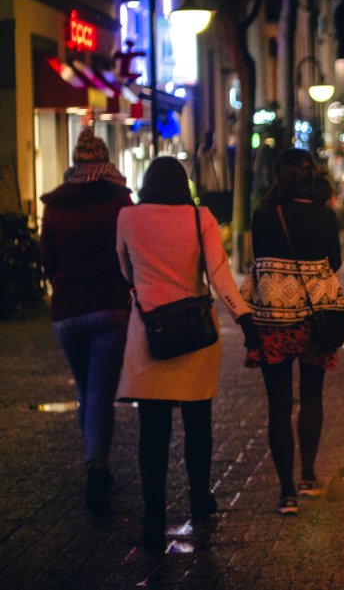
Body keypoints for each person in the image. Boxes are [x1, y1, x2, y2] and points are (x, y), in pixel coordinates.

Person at [115, 157, 261, 551]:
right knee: (199, 422)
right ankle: (199, 499)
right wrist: (244, 317)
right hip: (196, 332)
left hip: (150, 334)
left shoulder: (128, 217)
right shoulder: (201, 218)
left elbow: (125, 272)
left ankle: (154, 514)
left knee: (153, 431)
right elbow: (218, 274)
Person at [243, 148, 344, 515]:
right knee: (312, 396)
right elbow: (335, 262)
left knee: (279, 405)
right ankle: (309, 475)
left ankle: (286, 493)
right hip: (317, 316)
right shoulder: (323, 216)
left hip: (272, 318)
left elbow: (256, 260)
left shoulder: (263, 215)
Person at [39, 127, 133, 516]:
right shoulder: (119, 200)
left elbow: (48, 259)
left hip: (68, 310)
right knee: (99, 393)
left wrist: (62, 282)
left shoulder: (56, 204)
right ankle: (96, 466)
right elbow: (129, 251)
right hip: (110, 307)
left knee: (85, 389)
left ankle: (95, 459)